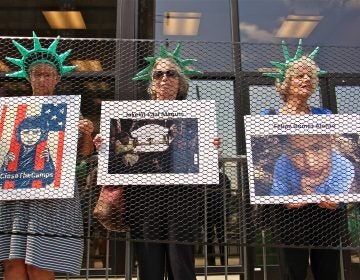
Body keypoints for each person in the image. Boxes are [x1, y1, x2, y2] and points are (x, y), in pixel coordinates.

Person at [94, 43, 220, 280]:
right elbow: (122, 152)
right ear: (152, 82)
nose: (164, 78)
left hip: (183, 196)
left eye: (171, 73)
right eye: (158, 74)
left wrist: (210, 148)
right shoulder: (132, 116)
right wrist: (105, 147)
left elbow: (199, 157)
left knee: (180, 261)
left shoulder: (194, 117)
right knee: (149, 261)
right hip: (144, 196)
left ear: (180, 81)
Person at [0, 32, 94, 279]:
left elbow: (84, 155)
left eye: (48, 74)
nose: (42, 79)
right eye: (37, 74)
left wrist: (86, 134)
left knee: (40, 262)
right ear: (28, 77)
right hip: (14, 193)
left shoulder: (69, 112)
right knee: (13, 263)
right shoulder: (10, 113)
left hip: (51, 194)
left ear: (57, 78)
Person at [261, 39, 347, 280]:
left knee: (328, 269)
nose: (307, 80)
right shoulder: (268, 117)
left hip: (325, 206)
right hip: (288, 209)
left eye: (310, 76)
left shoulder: (325, 115)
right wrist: (282, 198)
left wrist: (338, 199)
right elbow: (262, 163)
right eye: (300, 76)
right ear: (286, 83)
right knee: (292, 270)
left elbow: (337, 157)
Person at [271, 134, 354, 196]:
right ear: (285, 151)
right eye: (297, 153)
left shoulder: (344, 168)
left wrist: (310, 195)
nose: (311, 163)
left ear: (331, 141)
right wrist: (301, 195)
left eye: (317, 148)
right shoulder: (283, 163)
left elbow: (335, 205)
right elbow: (277, 196)